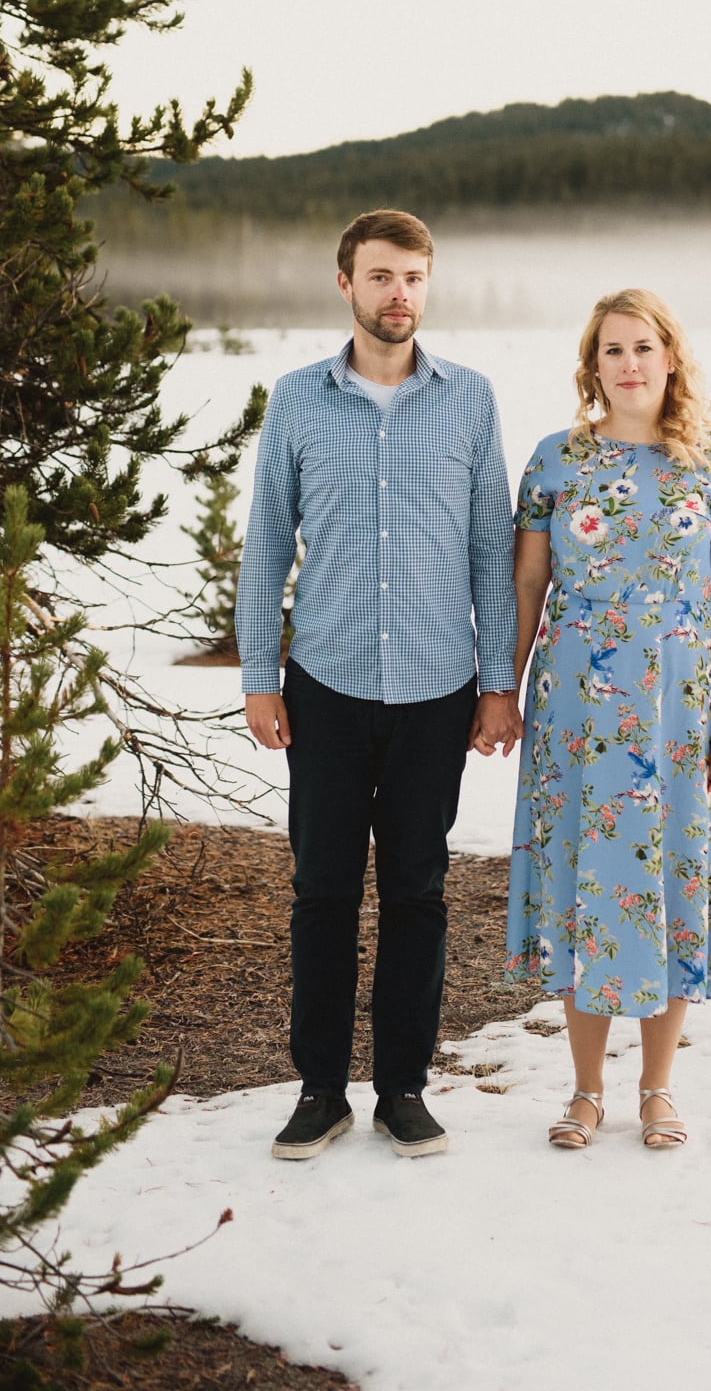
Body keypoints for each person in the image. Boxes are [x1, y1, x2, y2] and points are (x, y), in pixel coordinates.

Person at [237, 210, 521, 1161]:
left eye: (413, 278)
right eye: (381, 277)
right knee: (320, 891)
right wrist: (257, 677)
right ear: (346, 285)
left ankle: (403, 1086)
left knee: (416, 891)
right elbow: (267, 543)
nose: (399, 294)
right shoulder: (297, 400)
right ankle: (320, 1089)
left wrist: (497, 683)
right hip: (325, 682)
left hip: (439, 689)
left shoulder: (470, 401)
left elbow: (492, 550)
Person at [504, 288, 711, 1149]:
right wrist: (500, 689)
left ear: (671, 357)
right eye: (612, 350)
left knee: (672, 878)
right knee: (588, 884)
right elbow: (528, 588)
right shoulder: (556, 462)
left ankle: (657, 1088)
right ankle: (582, 1091)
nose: (629, 364)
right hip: (577, 712)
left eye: (643, 347)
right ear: (592, 365)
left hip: (680, 714)